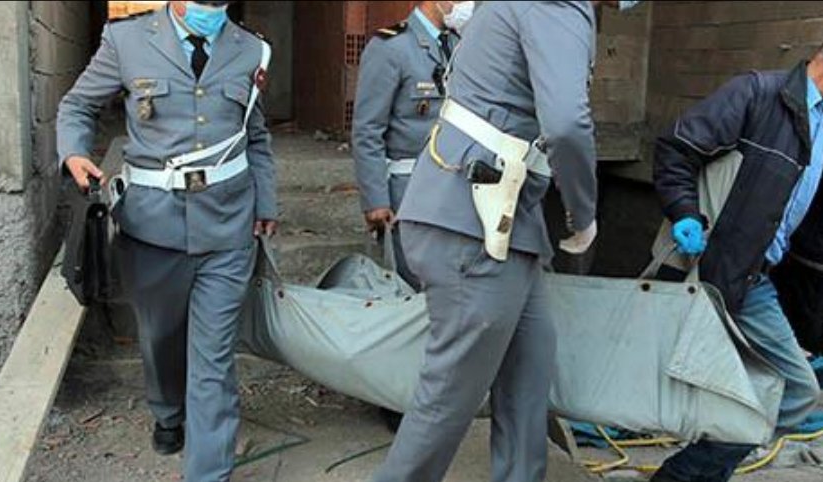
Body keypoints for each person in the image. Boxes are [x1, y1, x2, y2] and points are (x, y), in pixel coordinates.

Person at [370, 2, 640, 482]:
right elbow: (566, 123)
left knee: (527, 378)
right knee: (448, 399)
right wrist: (583, 214)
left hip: (503, 220)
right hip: (473, 220)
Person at [56, 1, 277, 480]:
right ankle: (167, 410)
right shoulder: (126, 40)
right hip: (152, 226)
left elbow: (255, 136)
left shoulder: (251, 50)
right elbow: (77, 105)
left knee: (214, 359)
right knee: (160, 337)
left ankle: (208, 471)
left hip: (228, 224)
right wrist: (73, 153)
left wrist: (266, 203)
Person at [650, 43, 823, 482]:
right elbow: (677, 148)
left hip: (761, 280)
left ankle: (690, 472)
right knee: (776, 388)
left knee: (793, 392)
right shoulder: (757, 94)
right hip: (712, 270)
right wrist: (685, 212)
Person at [352, 1, 469, 289]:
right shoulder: (390, 47)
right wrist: (376, 199)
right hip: (409, 188)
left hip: (455, 187)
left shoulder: (459, 45)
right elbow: (368, 130)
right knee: (418, 285)